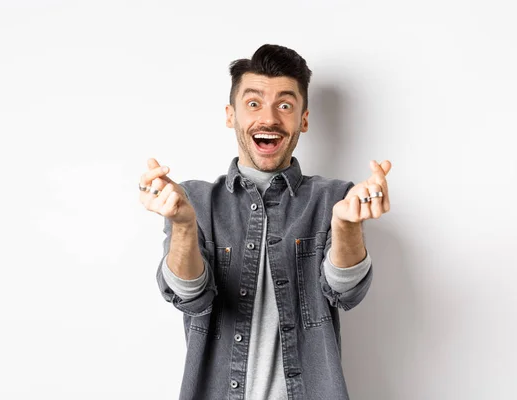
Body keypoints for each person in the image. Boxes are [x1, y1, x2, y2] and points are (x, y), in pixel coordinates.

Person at [138, 44, 392, 400]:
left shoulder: (334, 199)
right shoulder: (194, 202)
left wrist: (346, 226)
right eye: (253, 103)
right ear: (231, 115)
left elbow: (345, 292)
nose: (269, 119)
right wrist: (182, 226)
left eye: (285, 105)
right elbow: (189, 297)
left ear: (303, 118)